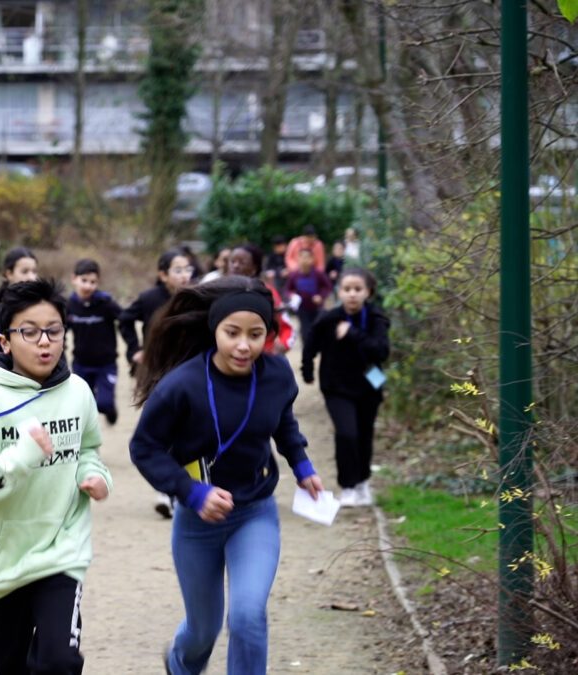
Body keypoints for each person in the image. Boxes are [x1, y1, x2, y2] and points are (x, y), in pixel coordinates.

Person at [128, 276, 324, 675]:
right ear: (214, 330)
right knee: (203, 630)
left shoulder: (276, 375)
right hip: (196, 521)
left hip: (254, 513)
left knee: (248, 616)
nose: (243, 345)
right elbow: (144, 448)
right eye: (232, 333)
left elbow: (282, 420)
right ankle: (180, 663)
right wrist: (192, 492)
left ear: (268, 336)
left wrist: (301, 465)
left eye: (255, 335)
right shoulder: (181, 386)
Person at [0, 278, 112, 675]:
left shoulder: (78, 392)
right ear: (5, 341)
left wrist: (95, 476)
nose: (44, 342)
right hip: (3, 559)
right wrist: (21, 456)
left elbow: (89, 450)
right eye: (30, 332)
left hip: (62, 550)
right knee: (10, 666)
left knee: (60, 661)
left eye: (53, 331)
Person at [301, 268, 390, 507]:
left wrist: (353, 333)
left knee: (364, 435)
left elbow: (381, 351)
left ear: (367, 292)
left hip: (369, 386)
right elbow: (311, 343)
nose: (352, 294)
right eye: (347, 289)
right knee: (347, 433)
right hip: (336, 387)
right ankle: (348, 486)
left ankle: (363, 483)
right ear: (339, 292)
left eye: (357, 289)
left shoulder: (375, 319)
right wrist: (307, 369)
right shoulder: (328, 319)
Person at [118, 247, 195, 518]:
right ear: (163, 275)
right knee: (160, 429)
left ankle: (179, 487)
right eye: (178, 270)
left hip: (187, 373)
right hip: (155, 373)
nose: (185, 275)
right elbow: (125, 320)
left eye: (188, 269)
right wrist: (134, 350)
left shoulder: (195, 298)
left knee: (184, 430)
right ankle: (164, 490)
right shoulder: (150, 298)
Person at [67, 258, 122, 425]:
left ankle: (110, 408)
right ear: (74, 279)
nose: (88, 286)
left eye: (93, 282)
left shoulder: (106, 303)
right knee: (83, 405)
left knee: (103, 404)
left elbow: (125, 318)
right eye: (84, 280)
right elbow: (59, 330)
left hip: (106, 363)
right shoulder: (69, 306)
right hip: (81, 363)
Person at [227, 243, 294, 354]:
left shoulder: (267, 292)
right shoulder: (218, 290)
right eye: (232, 261)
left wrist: (283, 345)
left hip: (263, 356)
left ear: (254, 269)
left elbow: (286, 326)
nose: (235, 266)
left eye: (241, 262)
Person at [284, 248, 332, 335]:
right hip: (302, 308)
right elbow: (288, 289)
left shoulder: (318, 274)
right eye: (301, 257)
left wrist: (321, 296)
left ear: (312, 259)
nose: (304, 260)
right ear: (297, 259)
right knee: (306, 331)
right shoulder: (294, 275)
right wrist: (292, 295)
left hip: (317, 308)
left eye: (307, 257)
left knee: (318, 330)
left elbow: (328, 287)